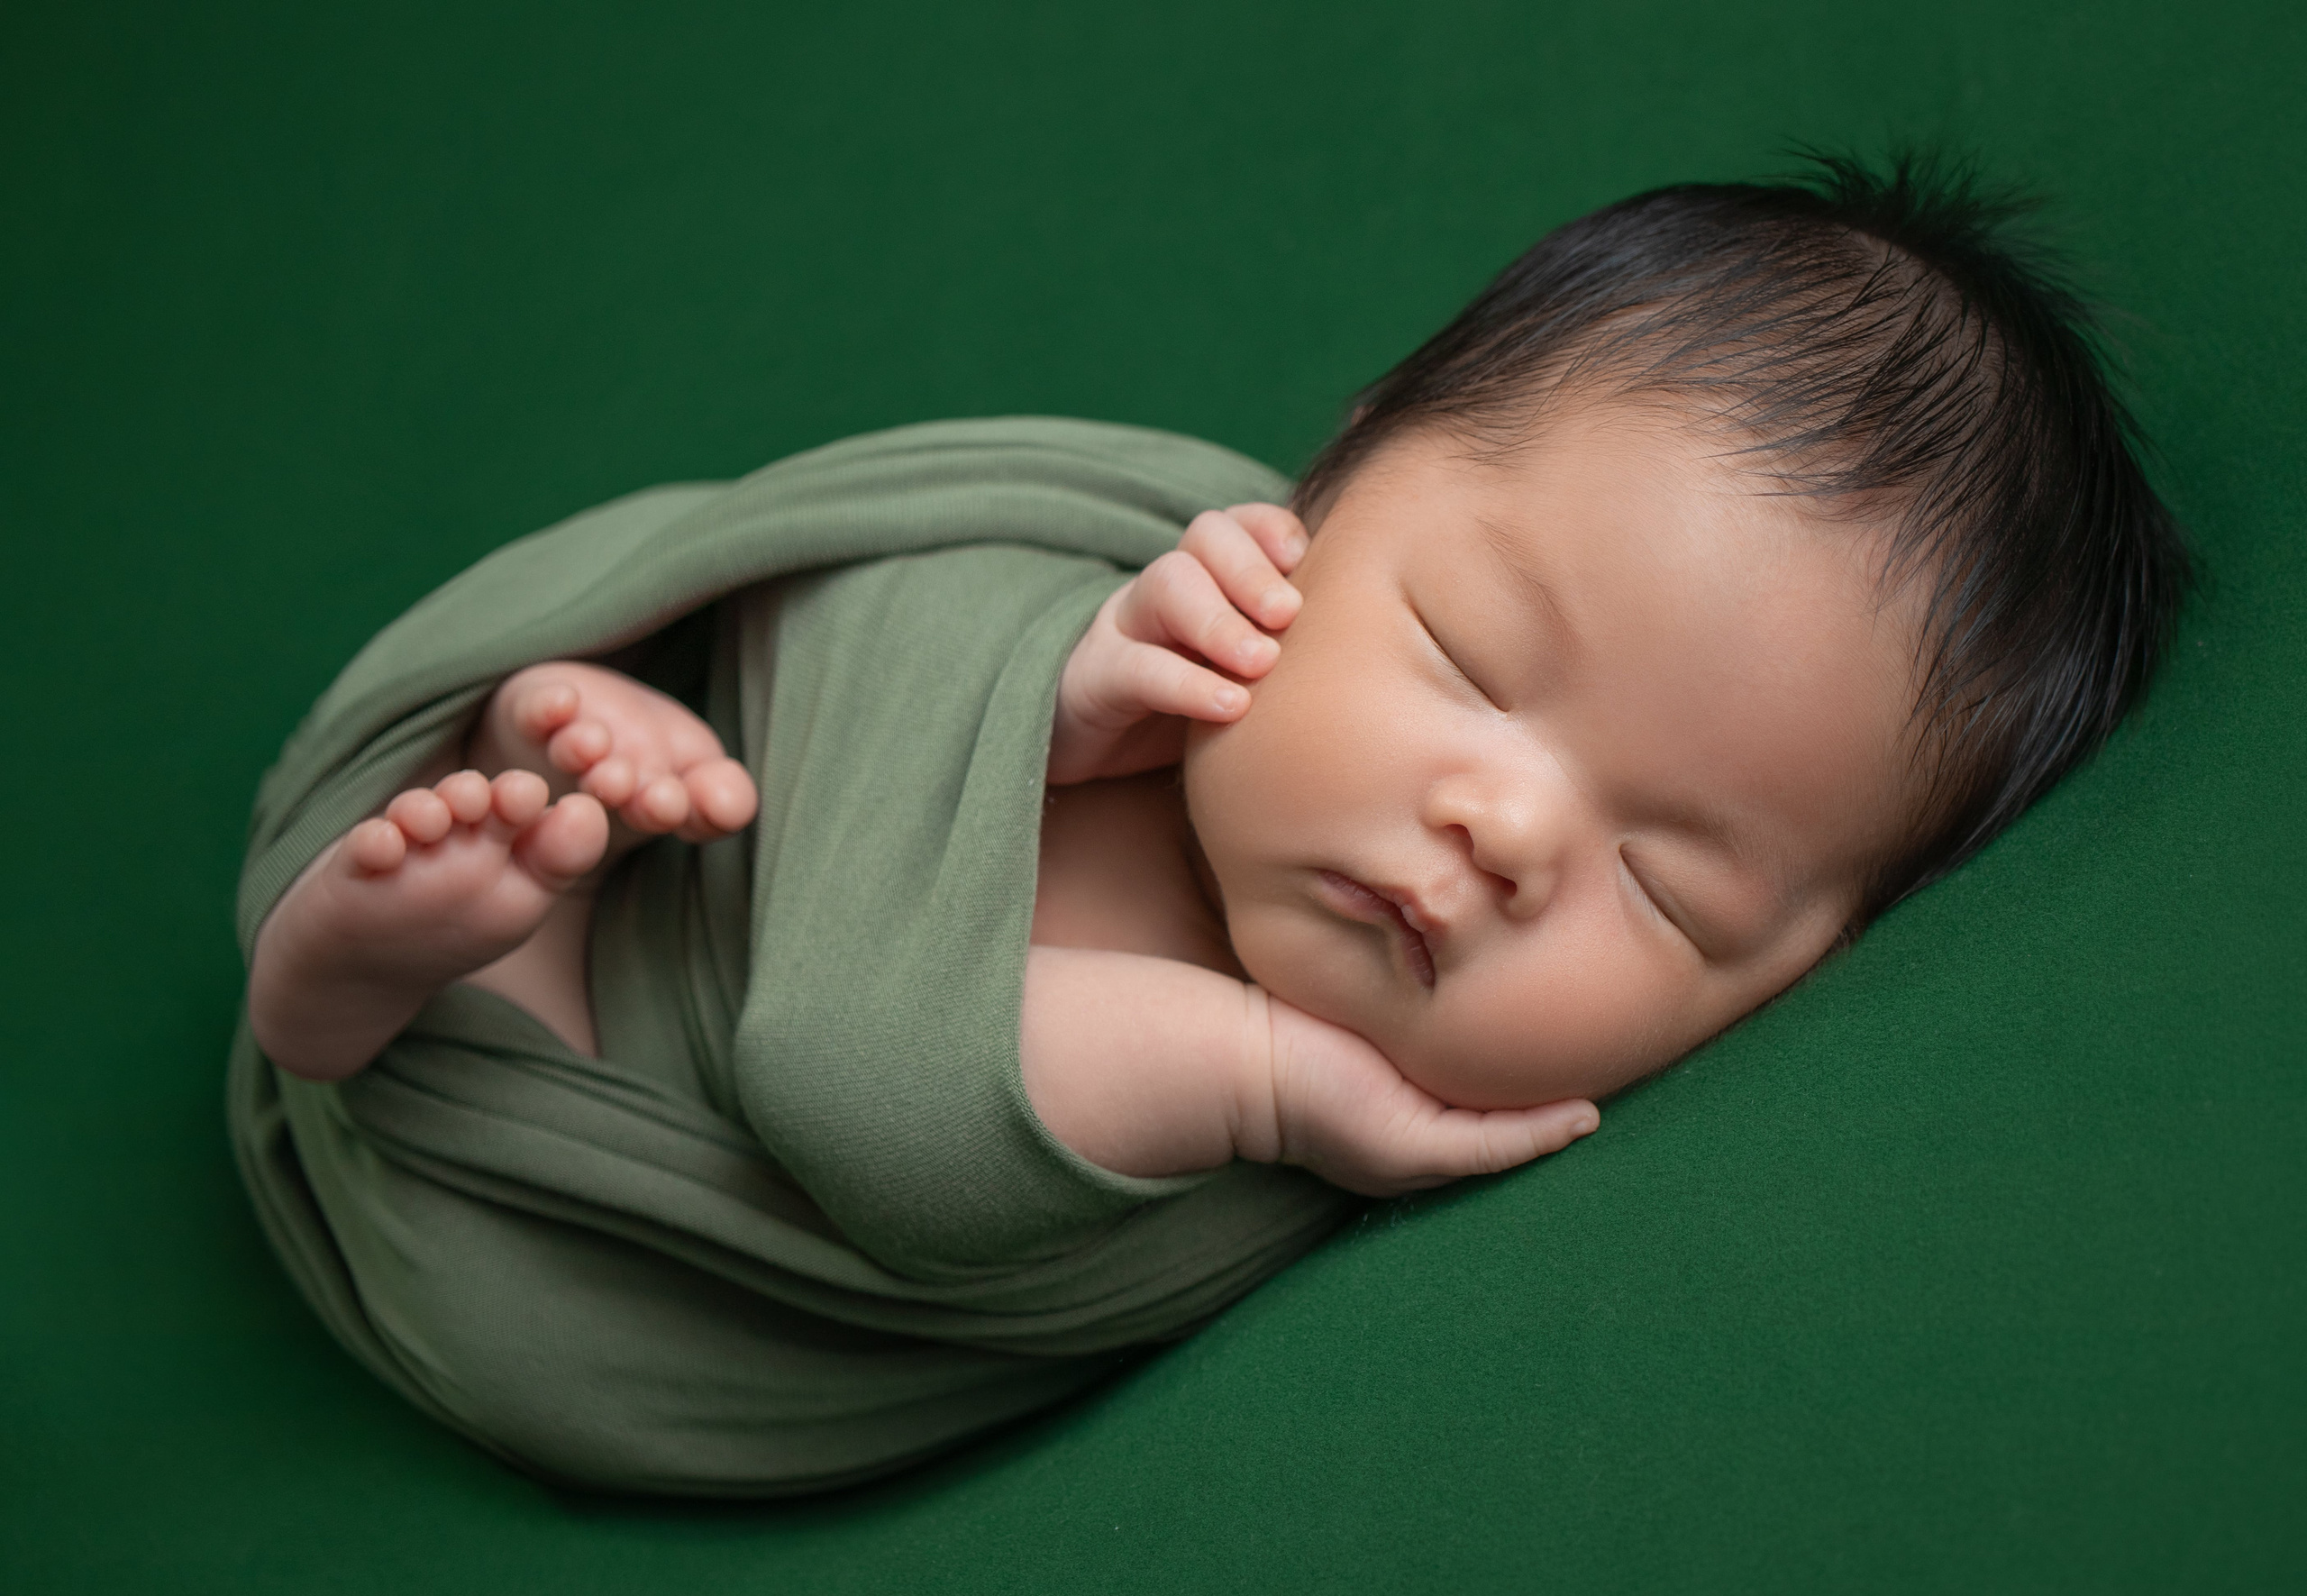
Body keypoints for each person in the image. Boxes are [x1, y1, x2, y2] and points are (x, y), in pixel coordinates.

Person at [232, 152, 2190, 1491]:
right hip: (745, 774)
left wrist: (1266, 1085)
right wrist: (1063, 688)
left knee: (534, 1293)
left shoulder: (1325, 1113)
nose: (1503, 827)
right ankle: (581, 789)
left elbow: (866, 1099)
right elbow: (887, 568)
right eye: (1467, 652)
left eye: (1663, 891)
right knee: (802, 640)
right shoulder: (1172, 560)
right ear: (1338, 471)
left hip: (580, 1195)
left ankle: (404, 989)